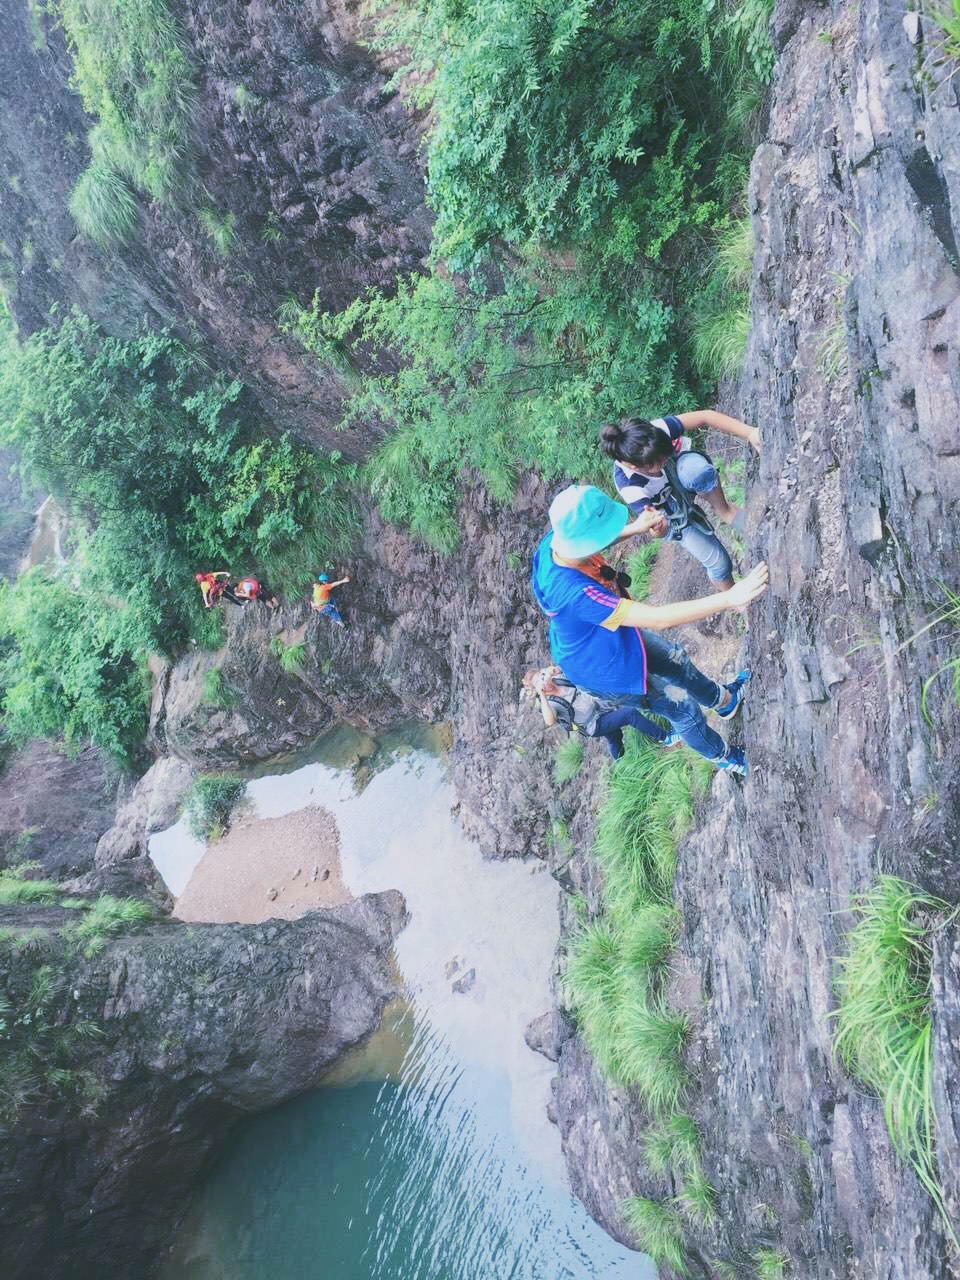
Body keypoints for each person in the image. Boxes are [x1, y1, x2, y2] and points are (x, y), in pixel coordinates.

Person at [531, 485, 768, 774]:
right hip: (603, 669)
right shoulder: (575, 594)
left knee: (675, 659)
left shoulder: (556, 541)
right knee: (682, 709)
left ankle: (725, 702)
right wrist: (730, 598)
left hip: (609, 637)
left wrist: (635, 528)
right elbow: (658, 618)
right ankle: (724, 757)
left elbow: (589, 543)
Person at [599, 410, 761, 591]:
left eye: (664, 454)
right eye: (657, 463)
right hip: (668, 511)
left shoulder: (653, 432)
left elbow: (705, 416)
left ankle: (726, 512)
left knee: (696, 472)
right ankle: (735, 599)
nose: (663, 460)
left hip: (682, 468)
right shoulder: (630, 485)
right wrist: (659, 529)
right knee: (719, 563)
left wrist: (749, 432)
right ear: (634, 467)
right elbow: (655, 527)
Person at [523, 665, 679, 760]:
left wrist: (557, 669)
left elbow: (574, 668)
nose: (544, 682)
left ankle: (620, 762)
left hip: (600, 705)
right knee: (629, 714)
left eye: (541, 676)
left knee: (614, 736)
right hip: (593, 724)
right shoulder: (549, 703)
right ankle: (666, 737)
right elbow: (550, 721)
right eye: (538, 683)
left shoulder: (558, 678)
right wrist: (541, 694)